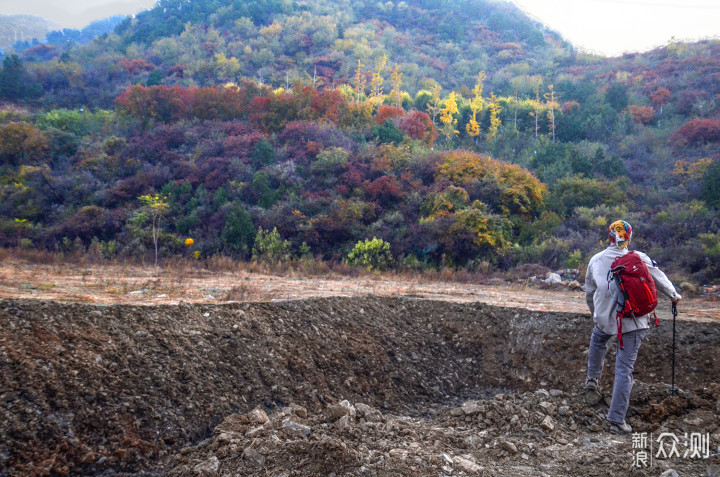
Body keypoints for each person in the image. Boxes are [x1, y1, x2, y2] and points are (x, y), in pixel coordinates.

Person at [584, 220, 682, 435]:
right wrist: (675, 296)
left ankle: (592, 381)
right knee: (624, 369)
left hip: (605, 320)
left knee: (598, 339)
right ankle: (617, 421)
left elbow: (589, 293)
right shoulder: (640, 259)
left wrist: (596, 313)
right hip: (633, 323)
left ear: (609, 237)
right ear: (629, 238)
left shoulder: (596, 261)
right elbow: (660, 279)